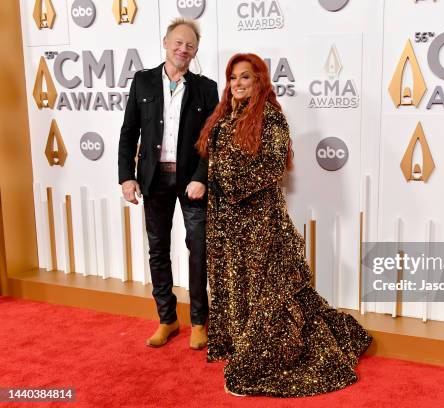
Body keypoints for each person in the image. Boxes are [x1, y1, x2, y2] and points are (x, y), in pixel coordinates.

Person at [196, 53, 372, 397]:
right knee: (235, 281)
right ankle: (239, 338)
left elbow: (273, 167)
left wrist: (231, 187)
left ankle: (262, 348)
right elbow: (214, 164)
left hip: (260, 220)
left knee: (267, 289)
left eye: (245, 77)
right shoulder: (223, 118)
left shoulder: (272, 119)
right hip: (225, 221)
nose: (237, 84)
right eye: (233, 78)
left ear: (259, 81)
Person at [118, 18, 218, 349]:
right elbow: (129, 131)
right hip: (153, 179)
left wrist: (201, 178)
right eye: (178, 42)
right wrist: (126, 176)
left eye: (190, 45)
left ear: (195, 51)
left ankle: (200, 322)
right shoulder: (143, 81)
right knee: (158, 250)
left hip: (191, 182)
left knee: (197, 250)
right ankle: (167, 319)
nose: (183, 49)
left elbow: (212, 140)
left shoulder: (206, 87)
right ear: (165, 42)